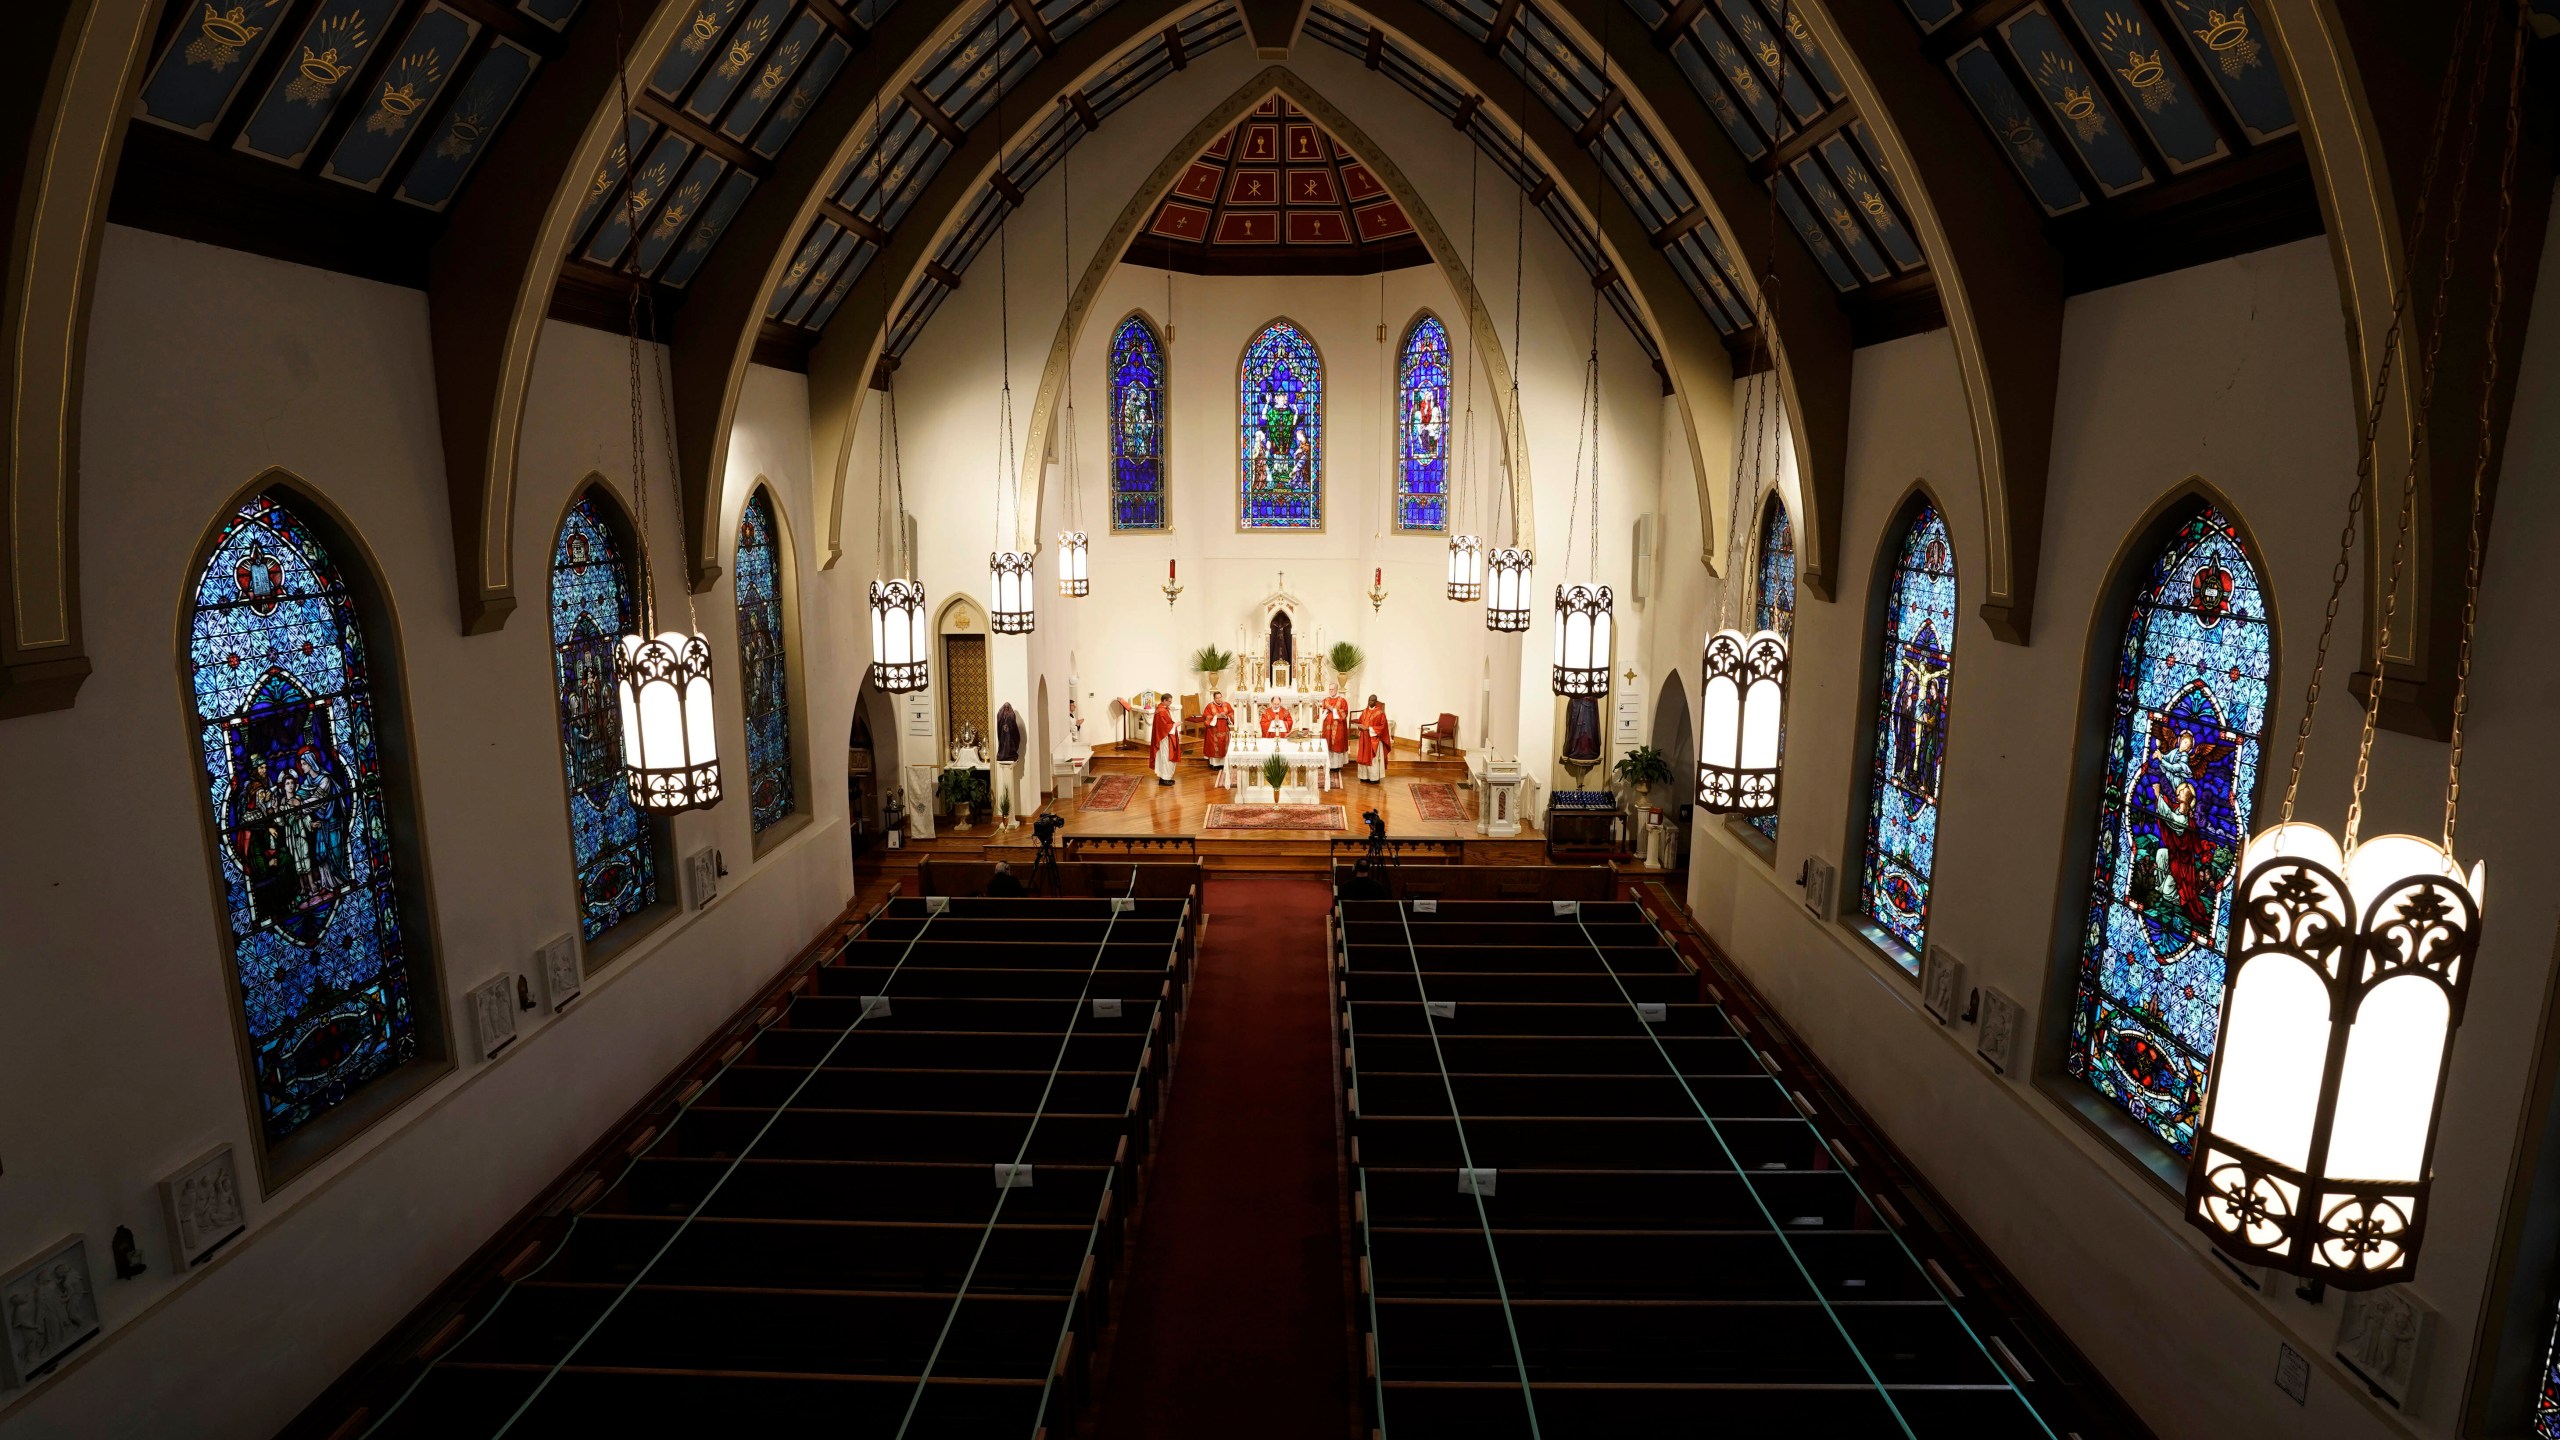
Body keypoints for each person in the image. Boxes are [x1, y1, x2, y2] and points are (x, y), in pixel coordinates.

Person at [1355, 694, 1390, 785]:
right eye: (1369, 700)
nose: (1370, 702)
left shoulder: (1380, 713)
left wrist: (1369, 729)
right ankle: (1364, 776)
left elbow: (1383, 727)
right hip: (1364, 738)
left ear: (1376, 702)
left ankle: (1374, 778)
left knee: (1373, 759)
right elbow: (1360, 721)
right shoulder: (1364, 712)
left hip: (1373, 739)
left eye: (1372, 700)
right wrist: (1359, 725)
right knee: (1363, 756)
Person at [1149, 692, 1179, 786]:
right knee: (1166, 756)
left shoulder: (1163, 709)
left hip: (1166, 736)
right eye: (1169, 701)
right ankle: (1164, 779)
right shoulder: (1161, 711)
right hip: (1164, 737)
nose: (1170, 703)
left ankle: (1164, 778)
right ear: (1164, 700)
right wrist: (1175, 725)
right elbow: (1163, 726)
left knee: (1165, 756)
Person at [1321, 685, 1351, 773]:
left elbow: (1344, 713)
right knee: (1328, 743)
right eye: (1329, 689)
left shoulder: (1342, 700)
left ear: (1337, 689)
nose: (1331, 691)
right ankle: (1328, 764)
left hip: (1338, 726)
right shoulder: (1325, 700)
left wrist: (1333, 709)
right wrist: (1325, 711)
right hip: (1327, 726)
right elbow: (1321, 712)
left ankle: (1337, 766)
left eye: (1332, 689)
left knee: (1337, 743)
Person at [1201, 690, 1235, 767]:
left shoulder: (1227, 704)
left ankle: (1223, 764)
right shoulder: (1210, 706)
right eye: (1217, 698)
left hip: (1225, 729)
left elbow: (1232, 713)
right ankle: (1214, 764)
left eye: (1220, 697)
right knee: (1214, 747)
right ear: (1214, 698)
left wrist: (1227, 717)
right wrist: (1216, 716)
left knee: (1224, 745)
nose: (1219, 699)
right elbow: (1206, 717)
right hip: (1213, 730)